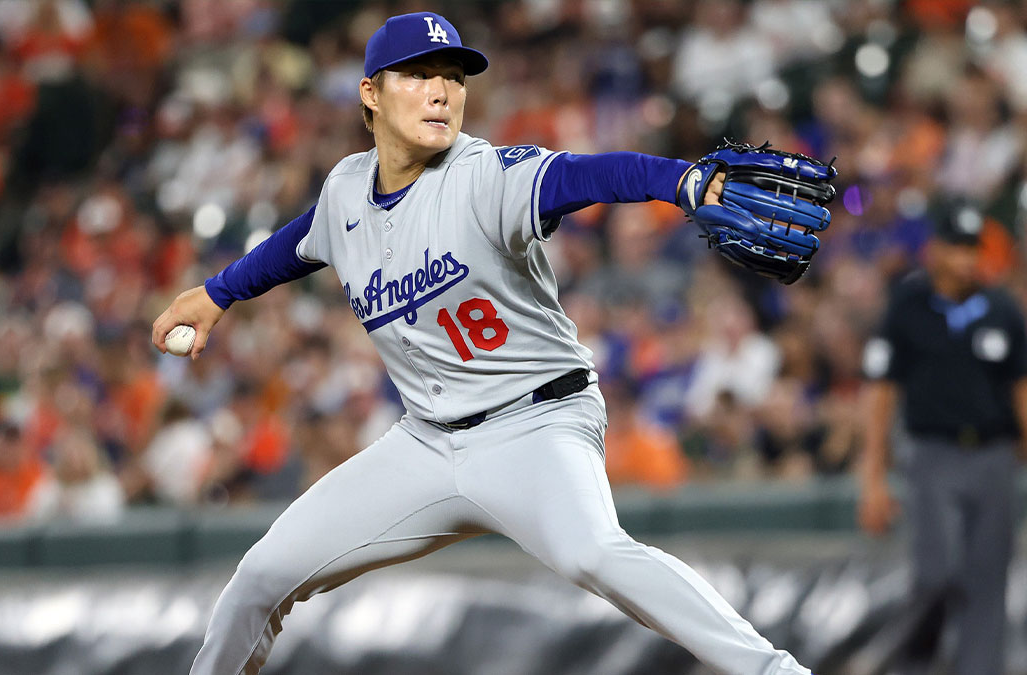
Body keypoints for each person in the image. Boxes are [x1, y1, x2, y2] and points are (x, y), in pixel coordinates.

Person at [153, 12, 812, 675]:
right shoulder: (345, 191)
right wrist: (217, 293)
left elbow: (584, 176)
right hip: (425, 443)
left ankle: (775, 671)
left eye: (453, 77)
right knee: (261, 573)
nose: (441, 90)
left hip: (538, 423)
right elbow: (295, 244)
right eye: (418, 75)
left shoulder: (484, 175)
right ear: (370, 94)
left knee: (595, 553)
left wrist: (680, 180)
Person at [858, 204, 1027, 675]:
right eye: (957, 247)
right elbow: (880, 394)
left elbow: (1022, 391)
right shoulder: (908, 307)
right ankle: (910, 662)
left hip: (994, 456)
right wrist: (873, 479)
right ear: (934, 250)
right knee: (937, 572)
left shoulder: (1001, 309)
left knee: (988, 581)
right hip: (933, 455)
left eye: (972, 248)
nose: (966, 259)